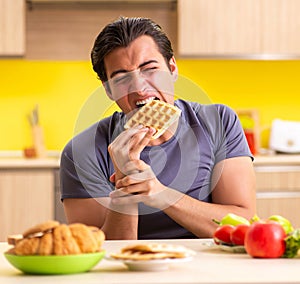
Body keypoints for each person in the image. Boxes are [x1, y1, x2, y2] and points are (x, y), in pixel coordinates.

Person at [60, 16, 256, 240]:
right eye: (121, 77)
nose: (140, 88)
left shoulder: (218, 122)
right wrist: (127, 184)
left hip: (211, 267)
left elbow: (242, 224)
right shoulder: (82, 151)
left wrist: (161, 194)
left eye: (149, 68)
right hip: (131, 270)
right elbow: (97, 252)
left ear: (172, 69)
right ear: (109, 90)